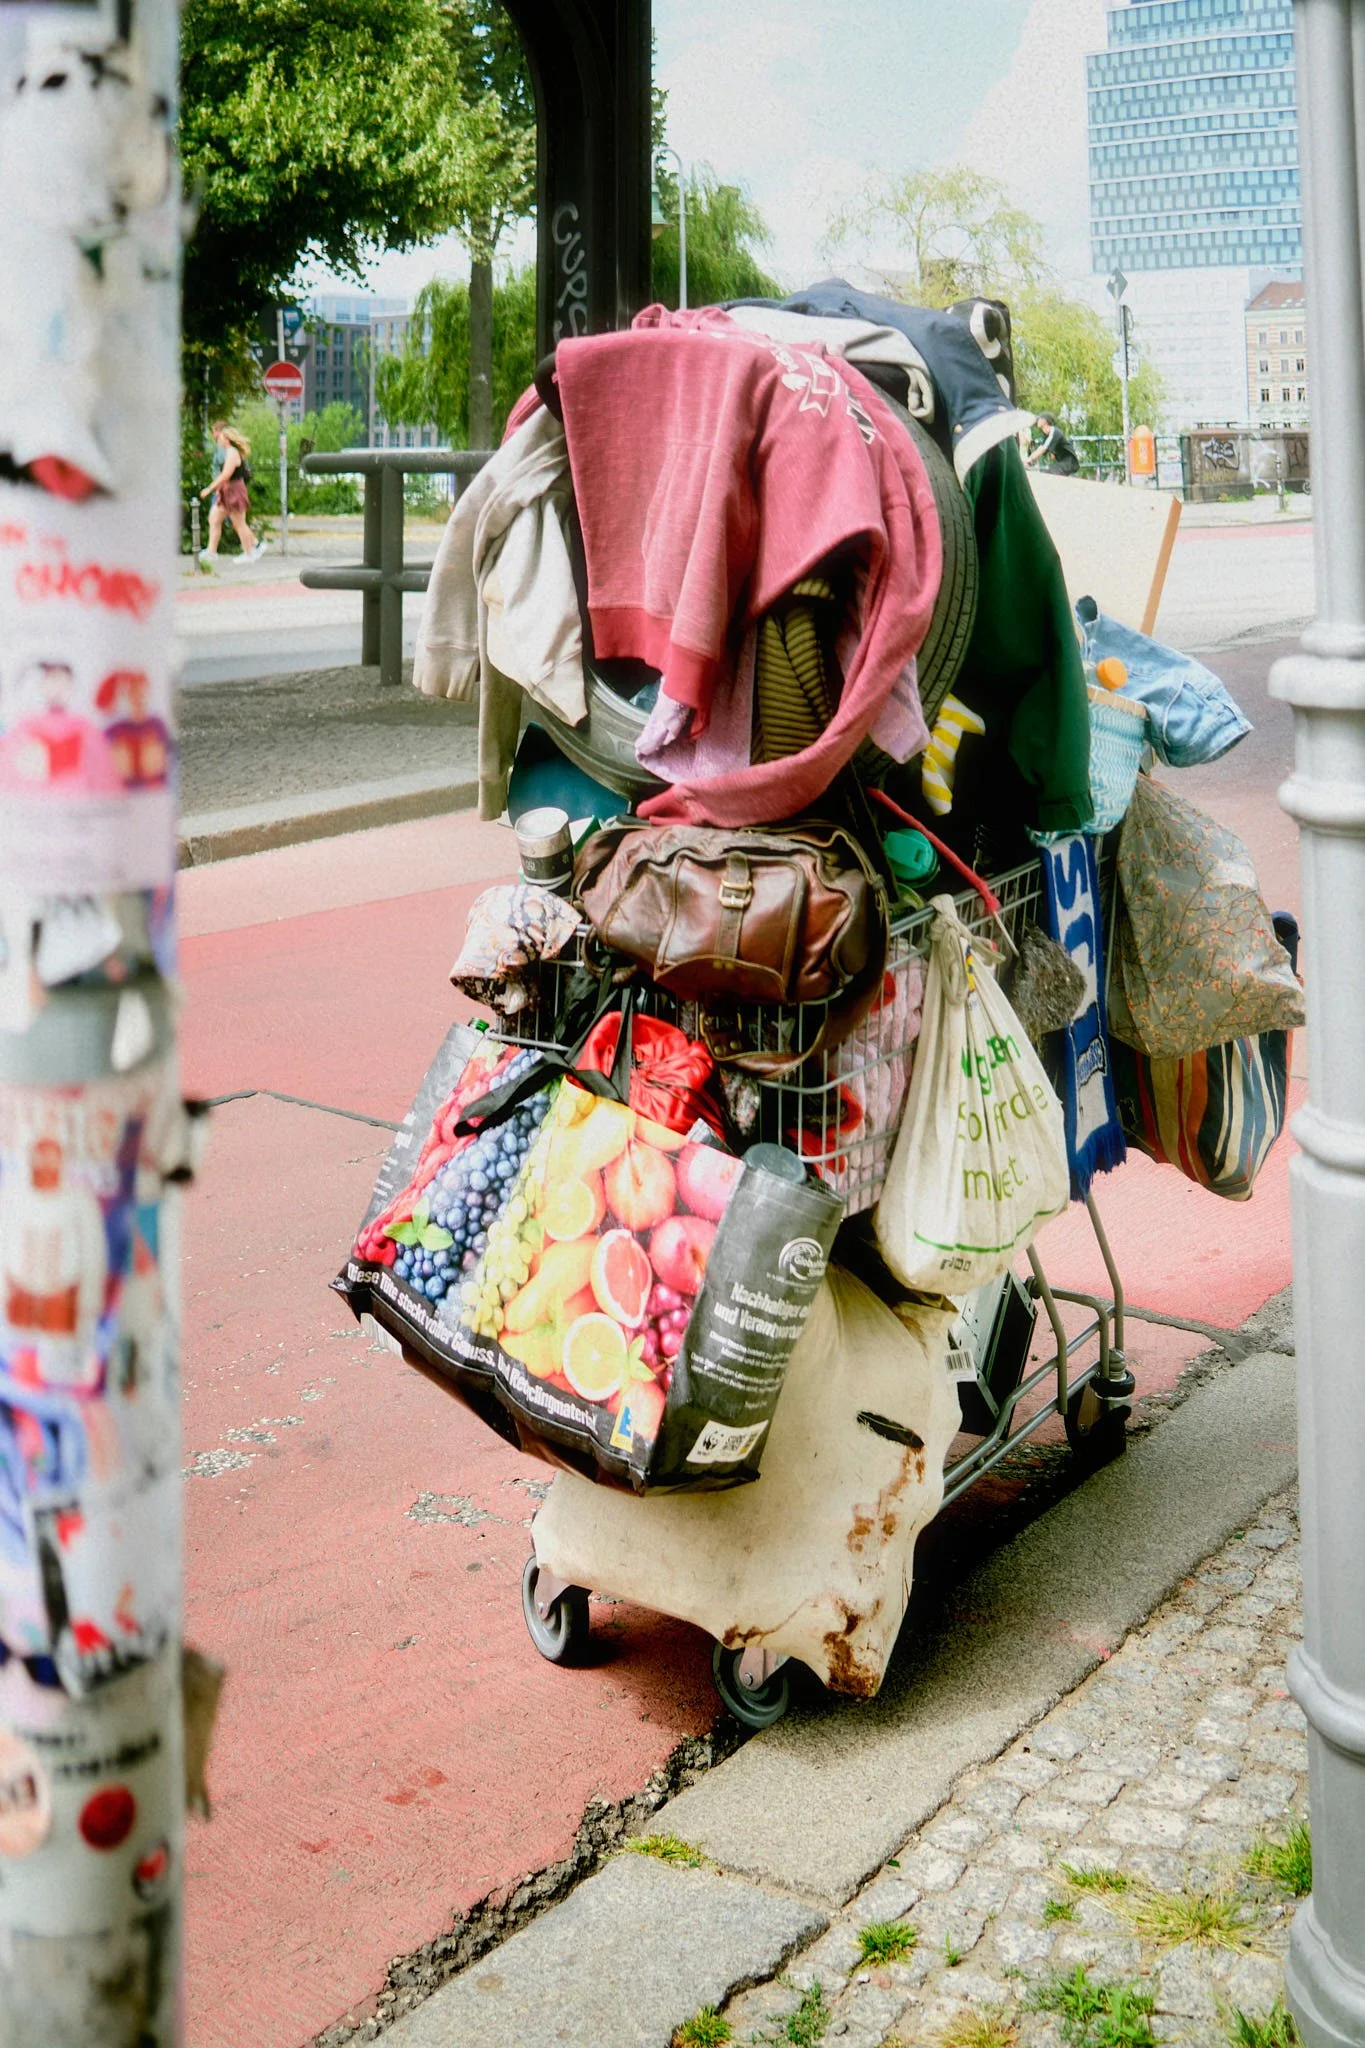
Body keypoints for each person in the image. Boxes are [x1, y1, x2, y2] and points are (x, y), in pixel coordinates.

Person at [198, 423, 269, 563]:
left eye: (221, 437)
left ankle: (249, 553)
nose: (219, 439)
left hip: (234, 491)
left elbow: (226, 475)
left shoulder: (232, 453)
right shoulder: (229, 452)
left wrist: (209, 489)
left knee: (239, 523)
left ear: (227, 439)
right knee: (214, 518)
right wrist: (219, 490)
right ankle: (211, 552)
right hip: (226, 491)